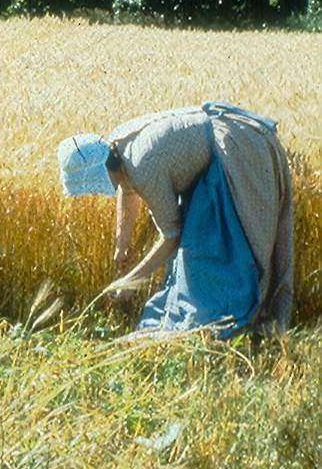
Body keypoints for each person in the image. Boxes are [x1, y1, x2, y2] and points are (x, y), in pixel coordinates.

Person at [57, 102, 294, 338]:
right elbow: (127, 188)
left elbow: (171, 236)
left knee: (215, 259)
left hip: (236, 150)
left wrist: (130, 281)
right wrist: (122, 244)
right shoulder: (116, 147)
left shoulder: (144, 167)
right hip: (218, 151)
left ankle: (234, 326)